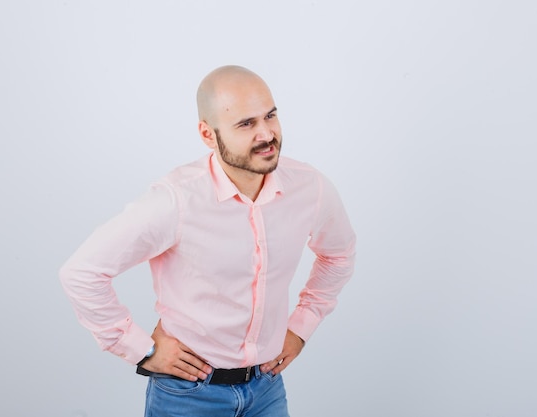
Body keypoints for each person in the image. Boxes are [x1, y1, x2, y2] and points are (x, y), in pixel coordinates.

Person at [60, 65, 356, 417]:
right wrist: (141, 349)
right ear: (207, 134)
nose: (266, 134)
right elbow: (81, 272)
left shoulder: (310, 188)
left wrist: (301, 327)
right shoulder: (176, 200)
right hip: (188, 395)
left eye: (270, 116)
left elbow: (338, 255)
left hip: (267, 388)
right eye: (246, 124)